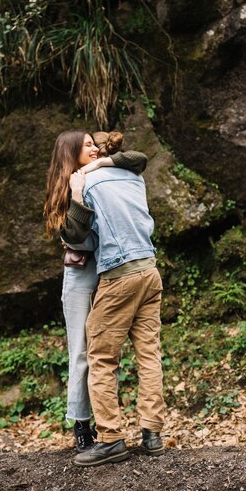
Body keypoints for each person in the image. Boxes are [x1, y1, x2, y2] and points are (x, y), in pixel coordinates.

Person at [44, 129, 147, 453]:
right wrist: (76, 192)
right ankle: (81, 425)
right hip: (79, 275)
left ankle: (109, 427)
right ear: (70, 153)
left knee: (106, 350)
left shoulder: (97, 174)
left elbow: (138, 159)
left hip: (108, 270)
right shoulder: (67, 188)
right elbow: (74, 237)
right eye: (86, 146)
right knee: (82, 351)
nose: (93, 148)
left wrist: (93, 167)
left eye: (93, 143)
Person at [63, 143, 165, 467]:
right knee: (148, 353)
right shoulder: (132, 175)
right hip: (149, 270)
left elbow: (75, 237)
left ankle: (110, 439)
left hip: (119, 275)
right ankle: (152, 434)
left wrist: (77, 194)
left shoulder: (87, 183)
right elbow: (140, 157)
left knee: (101, 356)